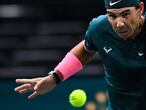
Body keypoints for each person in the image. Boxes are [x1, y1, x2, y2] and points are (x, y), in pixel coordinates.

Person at [15, 0, 146, 109]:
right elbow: (85, 49)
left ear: (140, 8)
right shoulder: (100, 29)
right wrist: (55, 77)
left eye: (126, 14)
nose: (119, 24)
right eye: (112, 16)